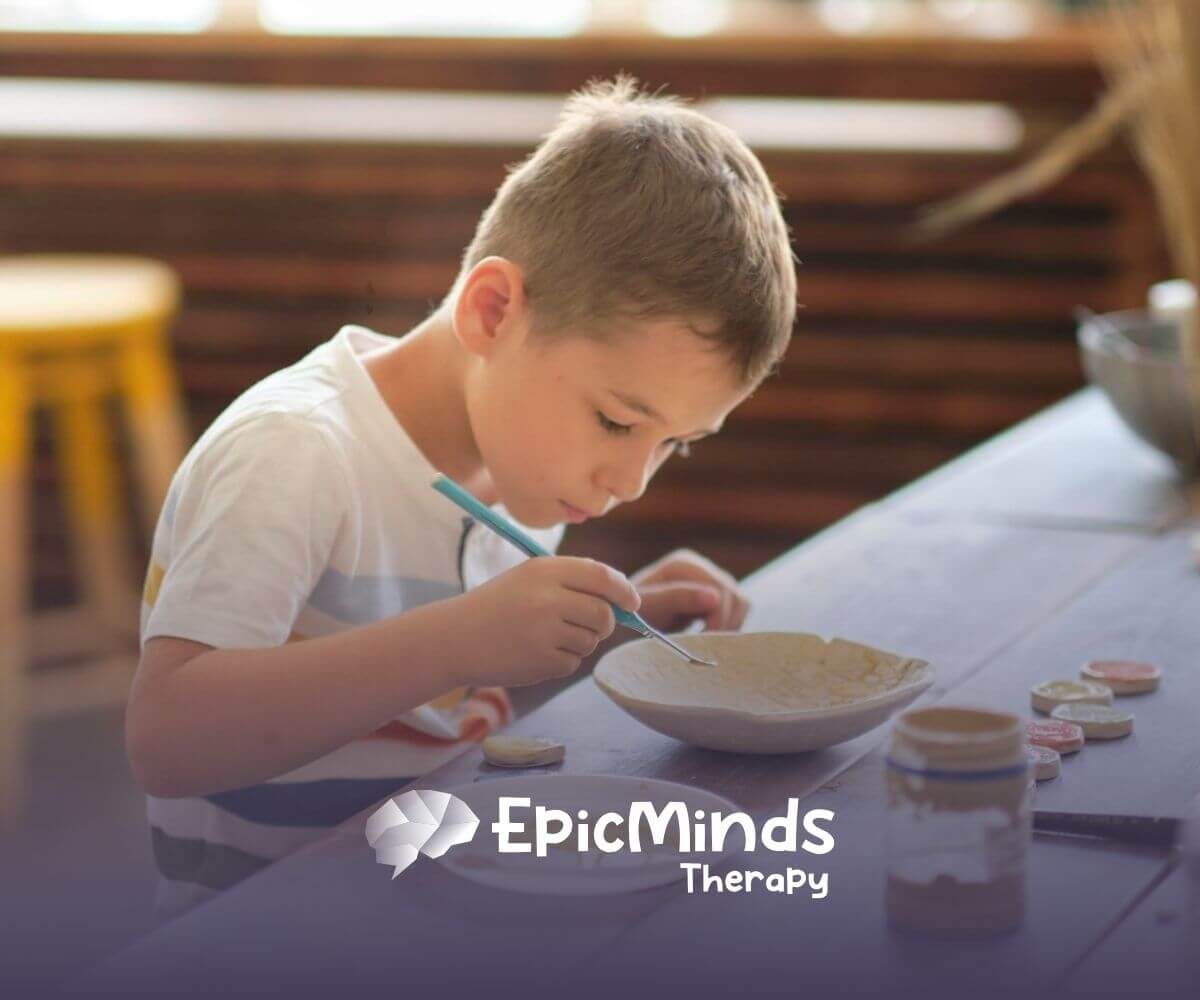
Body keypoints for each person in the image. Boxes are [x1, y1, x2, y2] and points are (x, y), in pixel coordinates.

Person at [125, 74, 798, 918]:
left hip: (423, 913)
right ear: (492, 312)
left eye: (676, 445)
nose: (630, 482)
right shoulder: (296, 452)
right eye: (620, 422)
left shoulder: (514, 476)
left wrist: (594, 625)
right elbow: (169, 741)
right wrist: (460, 639)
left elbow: (422, 713)